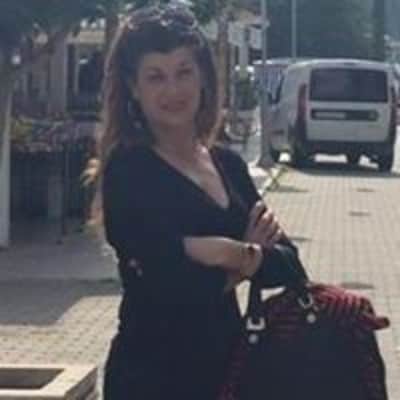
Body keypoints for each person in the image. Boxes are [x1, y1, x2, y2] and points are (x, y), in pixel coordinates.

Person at [99, 4, 305, 399]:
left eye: (184, 72)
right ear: (134, 87)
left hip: (229, 372)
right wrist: (249, 259)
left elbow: (290, 265)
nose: (173, 90)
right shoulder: (127, 171)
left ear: (203, 77)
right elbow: (168, 292)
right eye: (156, 77)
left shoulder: (228, 164)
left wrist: (226, 252)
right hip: (149, 378)